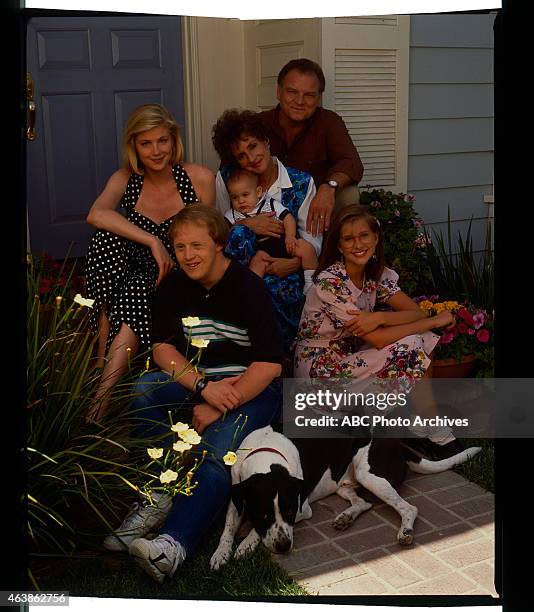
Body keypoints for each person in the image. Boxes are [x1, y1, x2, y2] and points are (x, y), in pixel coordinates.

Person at [104, 205, 284, 583]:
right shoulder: (175, 284)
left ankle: (172, 546)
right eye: (180, 247)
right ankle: (156, 497)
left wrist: (220, 404)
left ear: (220, 245)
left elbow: (269, 365)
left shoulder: (246, 286)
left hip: (253, 389)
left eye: (197, 245)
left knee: (218, 451)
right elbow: (162, 350)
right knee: (145, 388)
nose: (188, 255)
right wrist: (203, 389)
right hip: (205, 382)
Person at [294, 204, 481, 461]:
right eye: (348, 239)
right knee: (412, 343)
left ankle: (427, 427)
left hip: (350, 359)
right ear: (339, 246)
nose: (358, 244)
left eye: (364, 236)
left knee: (418, 340)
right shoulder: (331, 283)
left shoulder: (375, 274)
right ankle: (434, 434)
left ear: (375, 238)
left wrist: (380, 316)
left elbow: (414, 311)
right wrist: (433, 320)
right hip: (319, 374)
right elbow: (380, 338)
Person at [85, 104, 215, 421]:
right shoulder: (126, 179)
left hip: (181, 272)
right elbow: (95, 214)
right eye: (146, 143)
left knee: (138, 288)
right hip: (136, 274)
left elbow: (206, 237)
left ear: (173, 141)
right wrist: (151, 240)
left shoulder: (198, 178)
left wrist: (168, 250)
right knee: (105, 240)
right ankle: (104, 371)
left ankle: (99, 395)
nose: (156, 151)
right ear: (134, 147)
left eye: (162, 141)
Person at [212, 109, 320, 345]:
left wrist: (293, 263)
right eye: (241, 155)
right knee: (240, 236)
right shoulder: (228, 179)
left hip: (286, 263)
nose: (250, 158)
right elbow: (219, 231)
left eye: (253, 146)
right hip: (241, 268)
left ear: (266, 141)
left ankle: (277, 355)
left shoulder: (301, 182)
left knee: (271, 291)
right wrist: (249, 223)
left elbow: (312, 241)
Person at [259, 58, 364, 237]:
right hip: (265, 206)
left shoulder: (329, 122)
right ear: (278, 91)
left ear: (318, 97)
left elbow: (351, 162)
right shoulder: (258, 123)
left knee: (349, 195)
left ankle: (335, 252)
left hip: (313, 206)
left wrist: (329, 187)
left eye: (309, 95)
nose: (300, 101)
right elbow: (230, 168)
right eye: (292, 92)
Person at [224, 168, 317, 293]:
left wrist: (290, 237)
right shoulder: (232, 215)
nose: (241, 201)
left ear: (258, 192)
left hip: (283, 243)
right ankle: (249, 293)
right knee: (258, 263)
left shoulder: (269, 203)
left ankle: (311, 285)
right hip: (262, 250)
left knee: (306, 248)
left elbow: (288, 218)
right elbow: (224, 232)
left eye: (245, 195)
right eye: (235, 197)